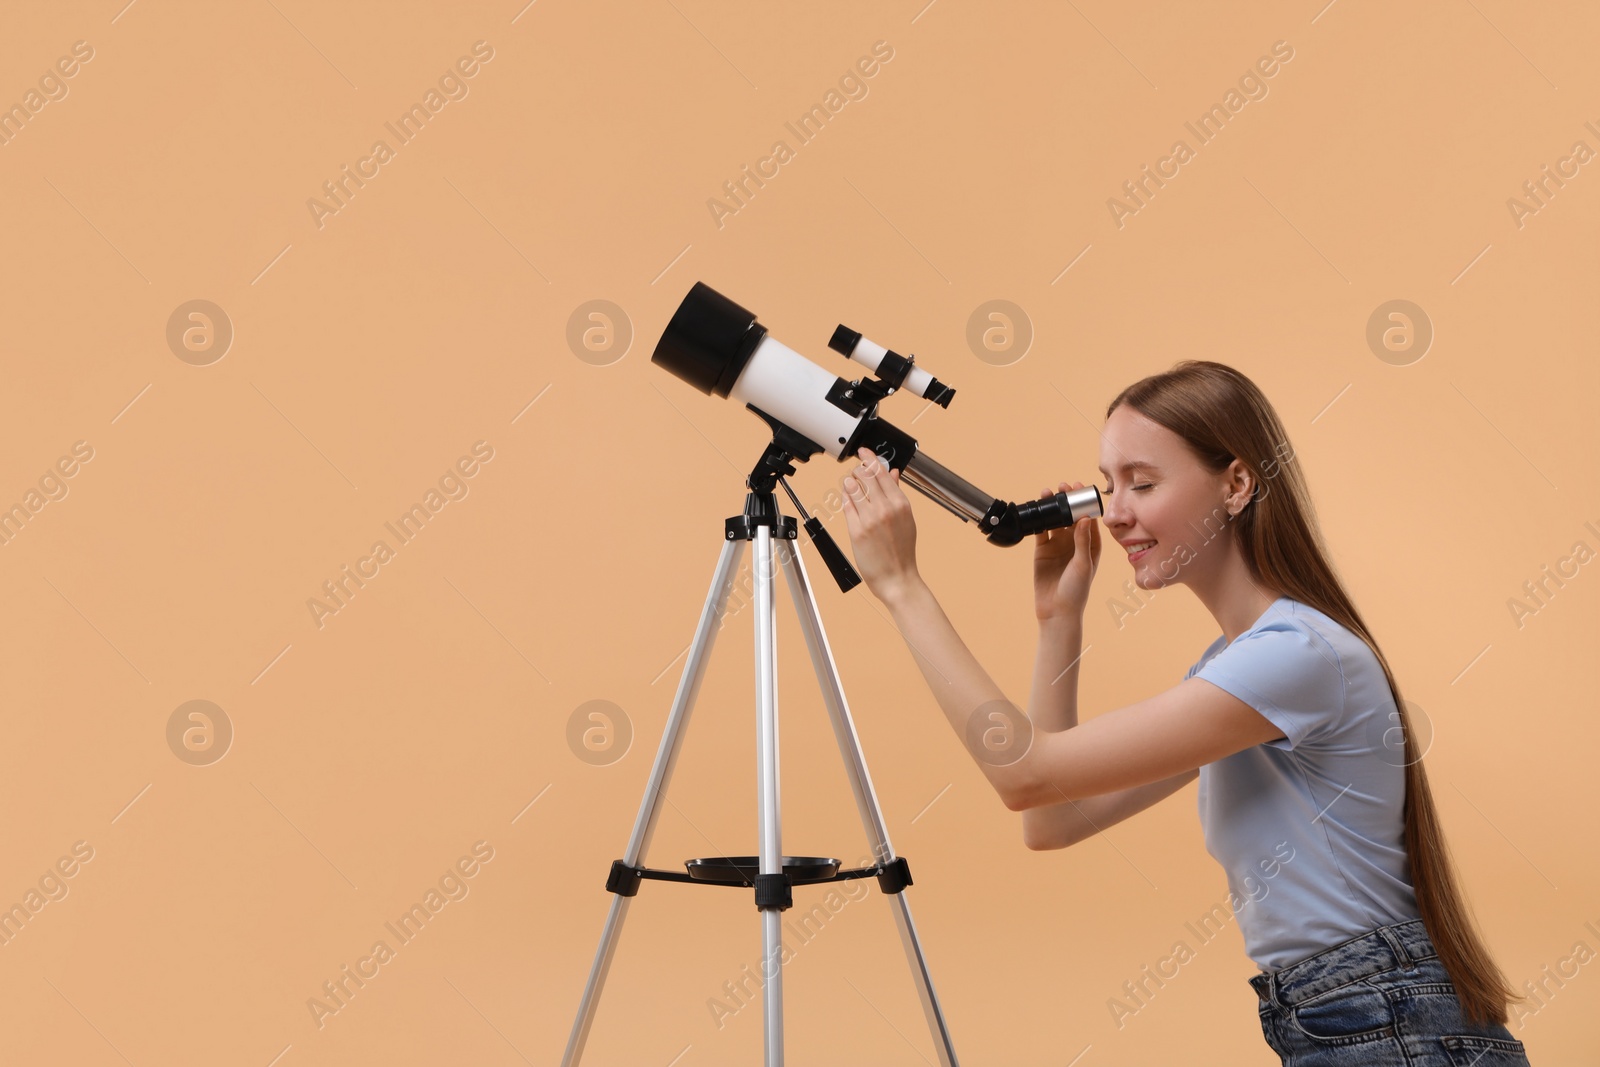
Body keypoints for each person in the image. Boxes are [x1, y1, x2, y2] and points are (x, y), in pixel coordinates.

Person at [837, 360, 1532, 1065]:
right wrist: (1058, 619)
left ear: (1236, 484)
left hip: (1386, 1023)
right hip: (1352, 1017)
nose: (1114, 513)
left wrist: (902, 587)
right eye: (1108, 486)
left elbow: (1028, 776)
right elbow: (1048, 819)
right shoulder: (1236, 670)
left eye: (1142, 482)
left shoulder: (1295, 655)